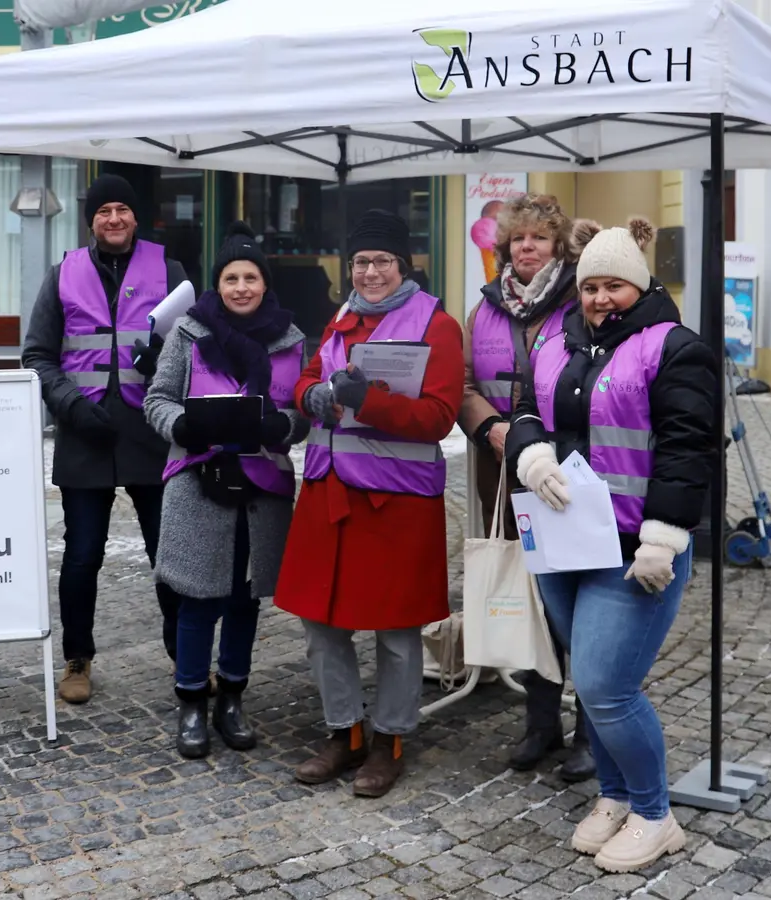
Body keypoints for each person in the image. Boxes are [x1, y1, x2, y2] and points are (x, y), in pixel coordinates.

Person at [506, 217, 717, 873]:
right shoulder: (555, 339)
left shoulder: (674, 346)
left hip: (635, 550)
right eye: (591, 286)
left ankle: (656, 815)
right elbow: (522, 411)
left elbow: (689, 448)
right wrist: (530, 454)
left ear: (640, 284)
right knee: (591, 681)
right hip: (565, 543)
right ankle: (616, 794)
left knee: (605, 686)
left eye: (614, 287)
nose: (600, 298)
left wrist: (665, 537)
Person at [275, 209, 464, 798]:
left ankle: (390, 741)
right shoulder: (341, 316)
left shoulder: (437, 324)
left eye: (382, 261)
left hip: (395, 501)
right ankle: (344, 731)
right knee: (321, 620)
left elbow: (439, 417)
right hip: (331, 492)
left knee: (396, 628)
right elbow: (304, 380)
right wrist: (317, 396)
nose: (371, 272)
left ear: (402, 265)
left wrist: (372, 401)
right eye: (361, 262)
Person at [23, 173, 191, 704]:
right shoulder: (62, 274)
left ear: (135, 217)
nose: (113, 219)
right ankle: (78, 656)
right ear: (90, 220)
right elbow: (38, 356)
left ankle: (183, 654)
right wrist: (71, 405)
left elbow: (198, 346)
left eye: (122, 209)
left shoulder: (170, 270)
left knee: (169, 554)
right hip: (85, 434)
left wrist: (163, 356)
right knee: (81, 556)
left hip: (151, 433)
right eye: (103, 212)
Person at [143, 222, 309, 759]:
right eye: (231, 277)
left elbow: (301, 411)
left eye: (251, 277)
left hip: (262, 485)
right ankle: (192, 699)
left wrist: (282, 427)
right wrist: (182, 427)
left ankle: (232, 698)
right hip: (198, 480)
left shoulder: (292, 340)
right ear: (218, 284)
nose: (241, 287)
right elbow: (157, 399)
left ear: (265, 283)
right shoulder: (189, 334)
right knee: (198, 598)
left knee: (244, 599)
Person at [456, 193, 595, 782]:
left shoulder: (581, 300)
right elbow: (463, 384)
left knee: (580, 602)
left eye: (539, 238)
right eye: (518, 239)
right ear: (504, 247)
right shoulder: (485, 309)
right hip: (502, 467)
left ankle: (592, 731)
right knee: (530, 594)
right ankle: (541, 724)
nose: (528, 247)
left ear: (558, 245)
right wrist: (489, 428)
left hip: (568, 470)